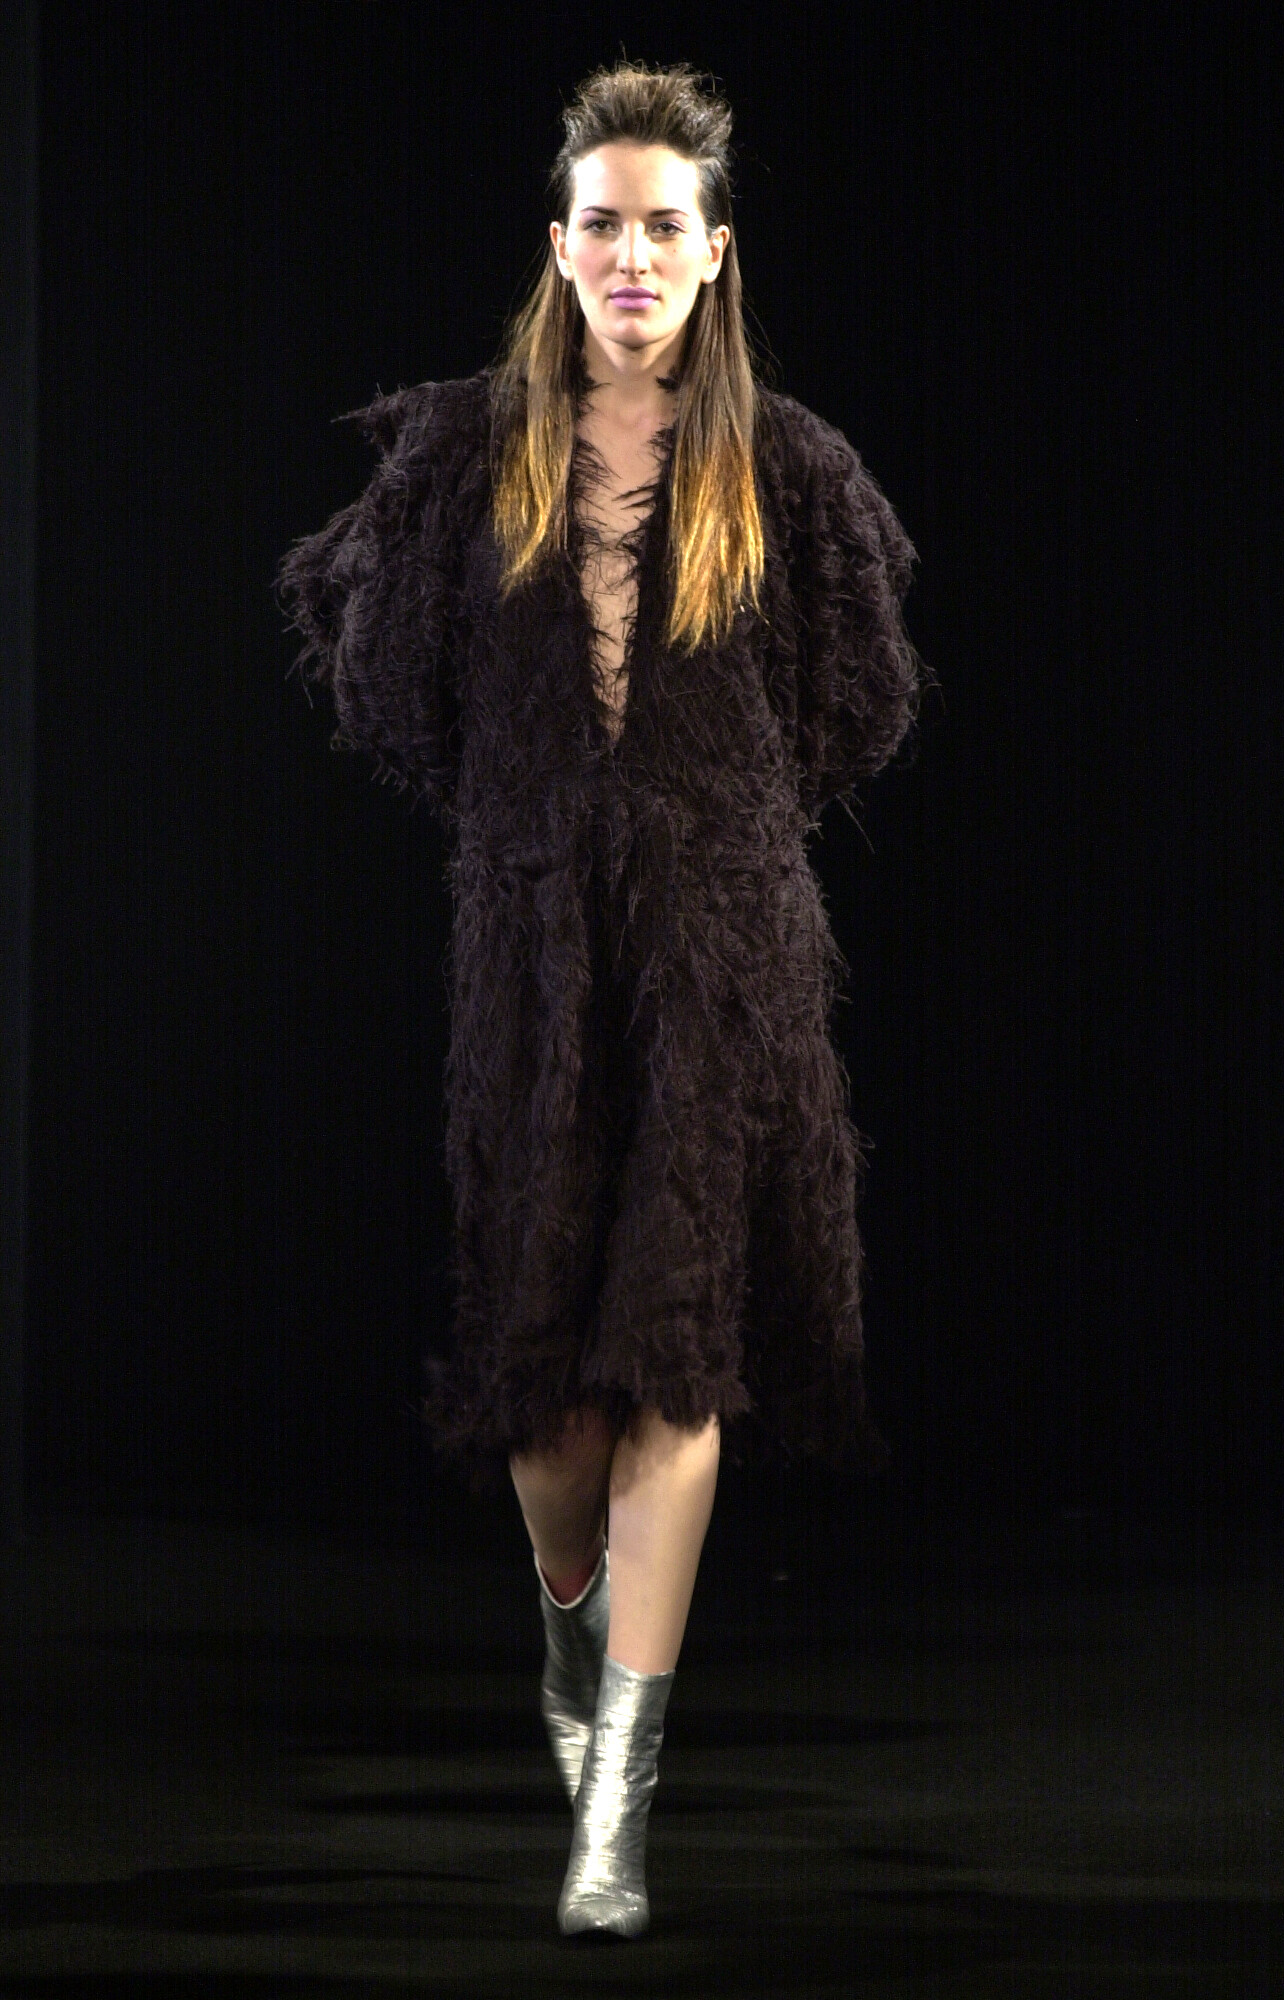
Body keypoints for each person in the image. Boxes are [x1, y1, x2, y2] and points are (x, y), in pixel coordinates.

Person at [276, 59, 921, 1940]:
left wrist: (706, 821)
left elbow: (860, 699)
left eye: (666, 226)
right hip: (535, 962)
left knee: (678, 1351)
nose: (634, 254)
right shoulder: (467, 455)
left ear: (715, 255)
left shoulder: (789, 468)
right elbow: (384, 678)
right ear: (559, 250)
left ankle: (615, 1814)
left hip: (725, 965)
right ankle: (573, 1658)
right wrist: (536, 821)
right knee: (547, 1402)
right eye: (604, 225)